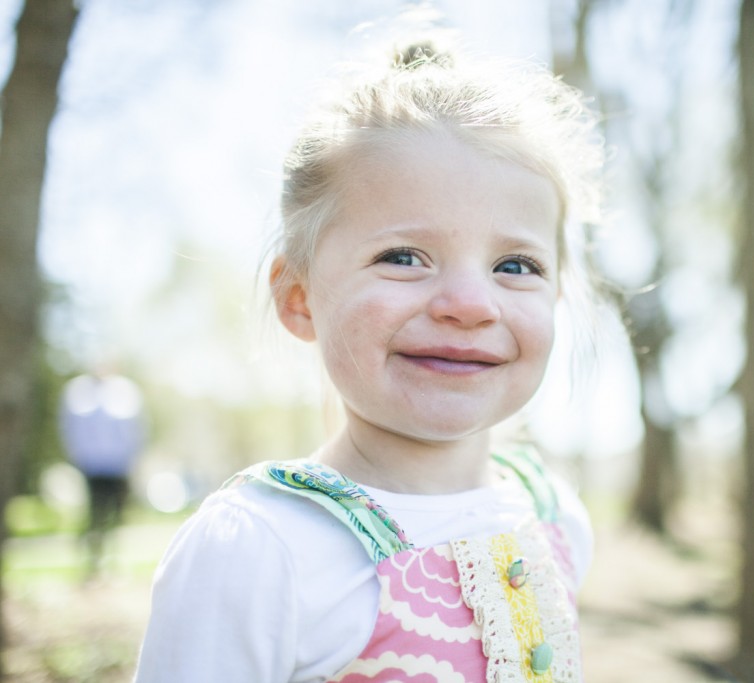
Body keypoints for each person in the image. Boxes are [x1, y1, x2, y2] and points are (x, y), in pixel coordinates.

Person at [134, 25, 605, 683]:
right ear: (300, 298)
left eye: (515, 264)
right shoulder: (263, 549)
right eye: (403, 256)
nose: (470, 304)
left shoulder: (554, 514)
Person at [58, 367, 145, 577]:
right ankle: (92, 563)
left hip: (118, 465)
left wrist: (133, 459)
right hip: (92, 465)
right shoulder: (79, 390)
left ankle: (111, 562)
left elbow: (136, 428)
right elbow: (70, 426)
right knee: (94, 514)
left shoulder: (124, 390)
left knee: (117, 515)